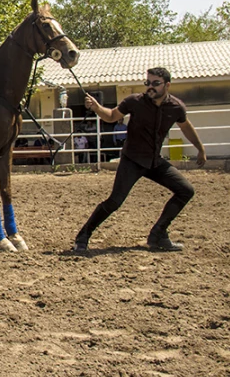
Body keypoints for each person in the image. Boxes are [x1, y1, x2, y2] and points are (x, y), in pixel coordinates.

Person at [74, 68, 206, 254]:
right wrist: (96, 108)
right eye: (148, 83)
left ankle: (158, 234)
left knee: (185, 190)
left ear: (167, 85)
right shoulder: (134, 101)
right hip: (132, 160)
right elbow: (111, 116)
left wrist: (200, 148)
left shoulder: (176, 107)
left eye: (155, 83)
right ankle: (83, 236)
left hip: (154, 161)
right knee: (115, 202)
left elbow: (186, 127)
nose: (150, 87)